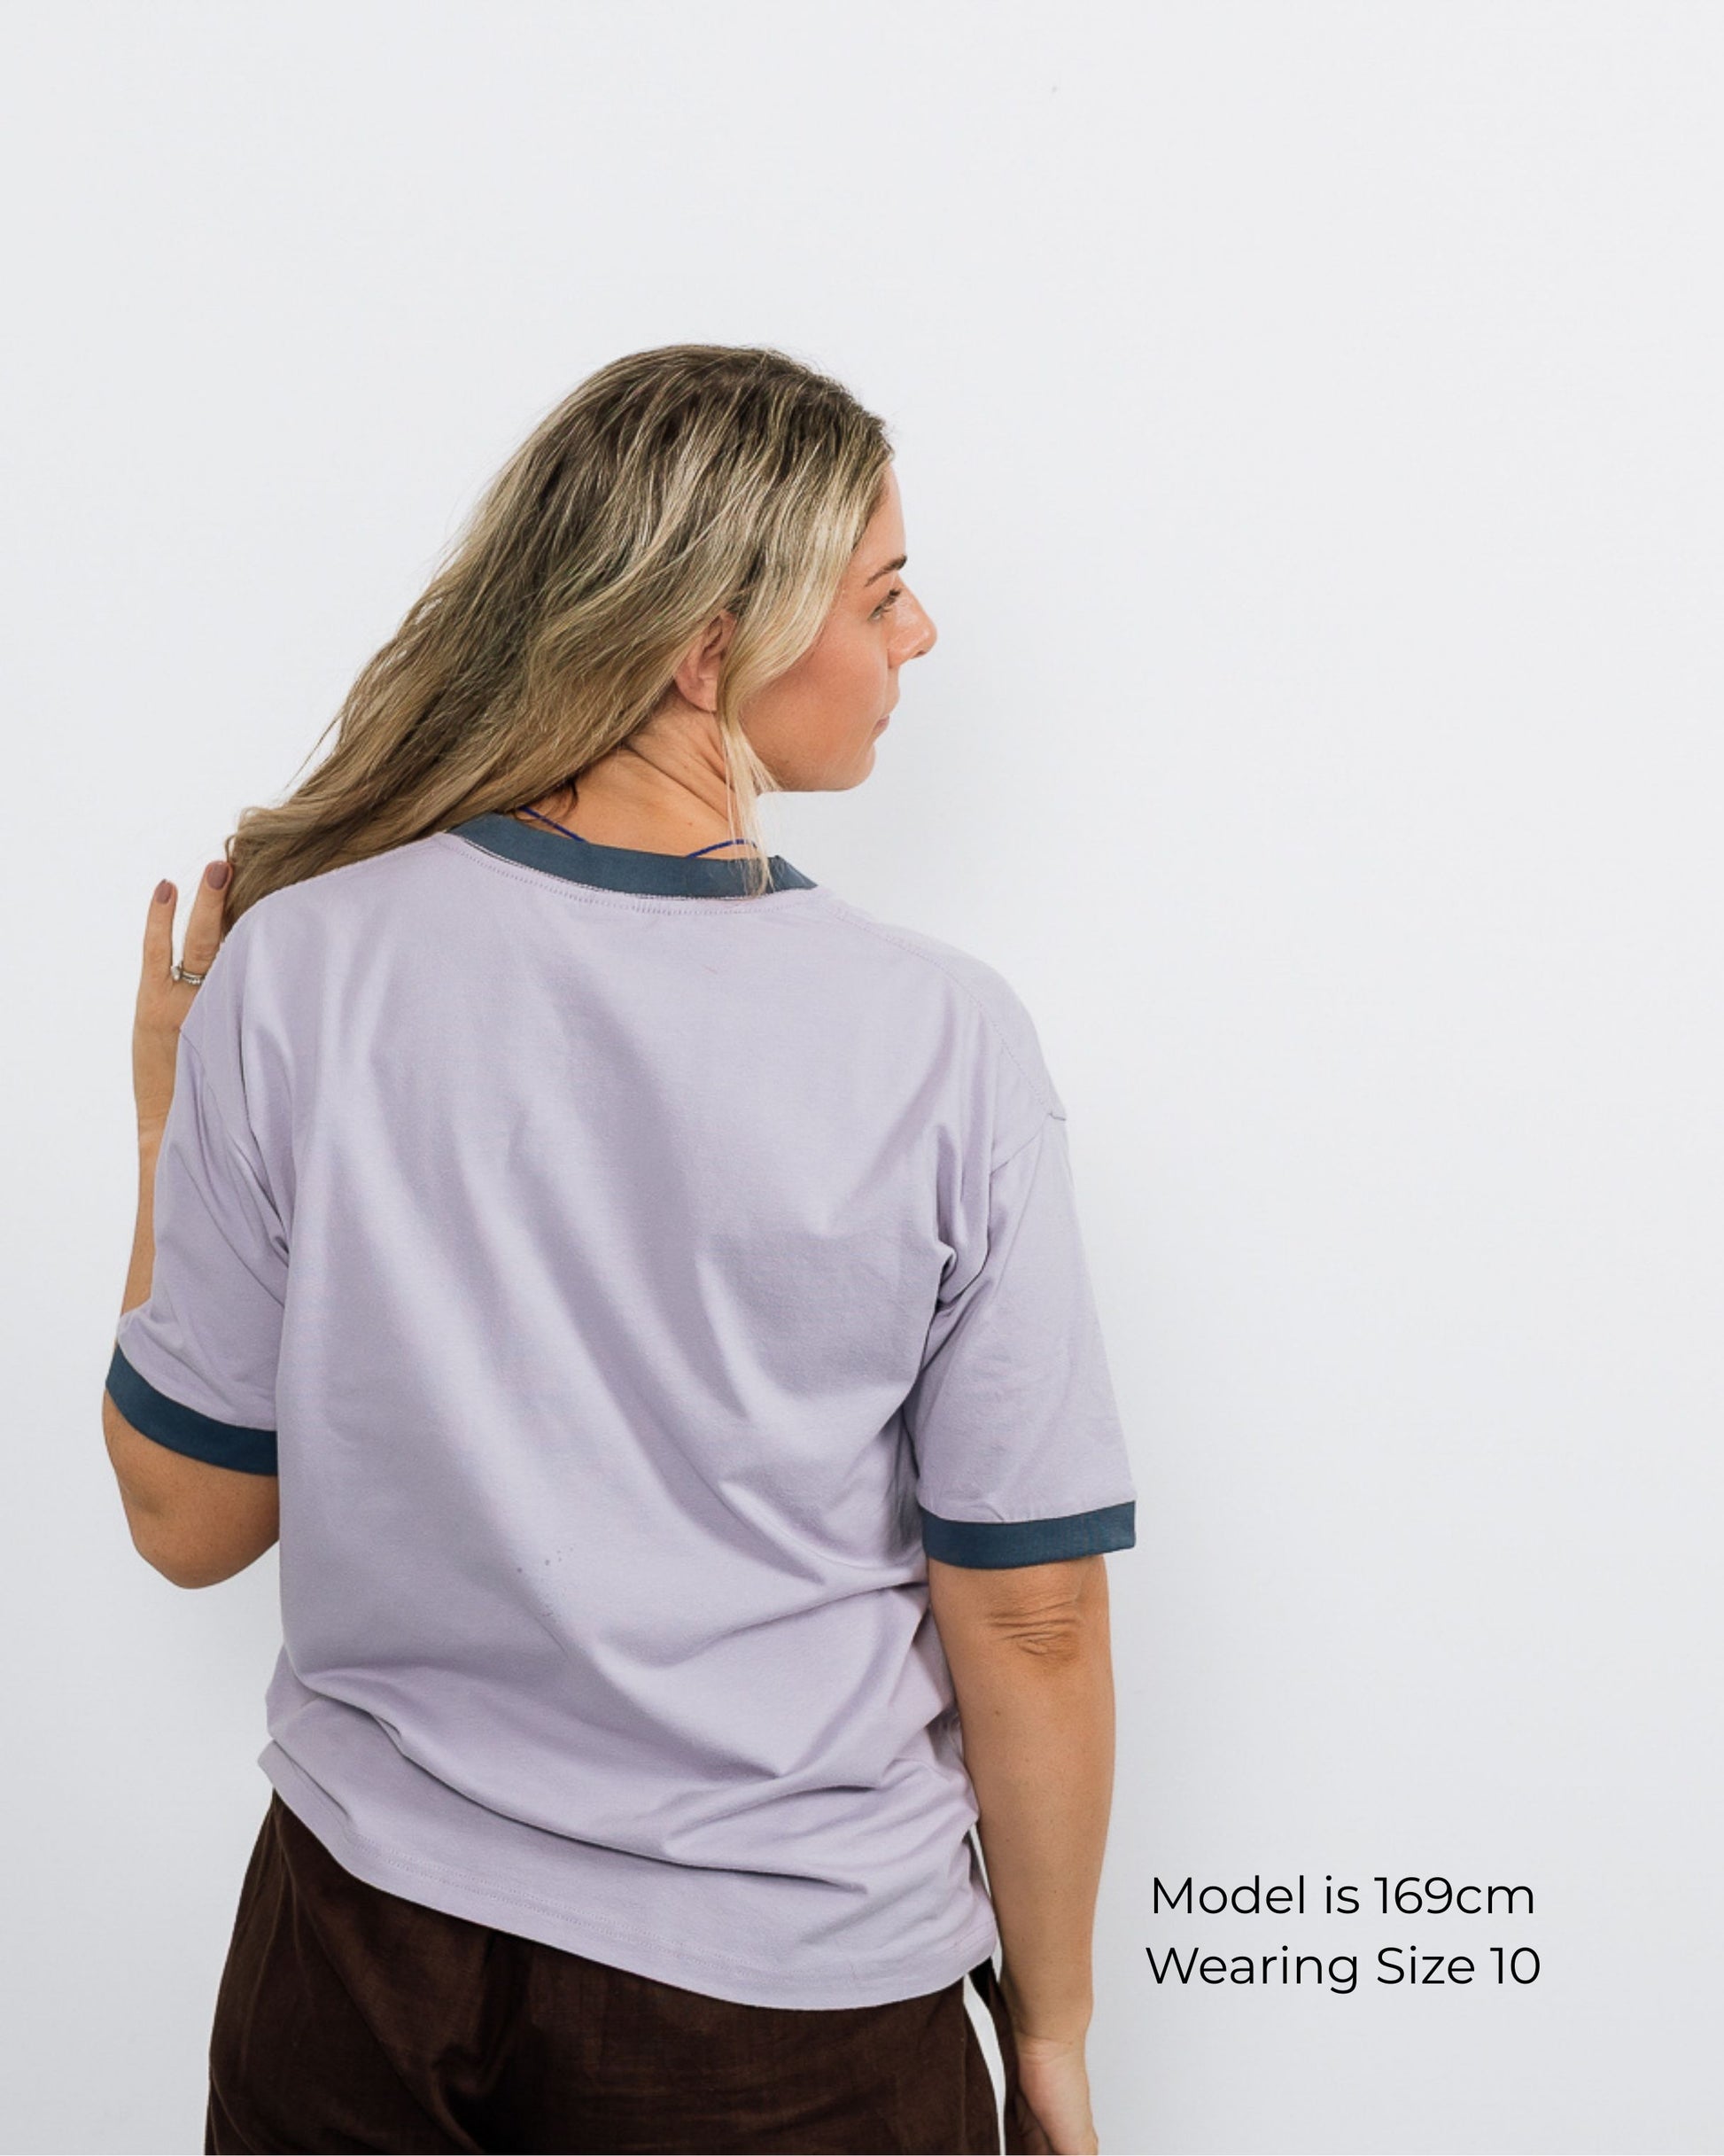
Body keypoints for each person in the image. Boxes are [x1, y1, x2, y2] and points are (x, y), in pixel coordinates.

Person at [102, 344, 1138, 2156]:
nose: (920, 635)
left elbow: (189, 1516)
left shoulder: (303, 964)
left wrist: (163, 1121)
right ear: (706, 647)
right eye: (881, 592)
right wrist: (1047, 2022)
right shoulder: (938, 1039)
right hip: (787, 2021)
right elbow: (1030, 1609)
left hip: (356, 1964)